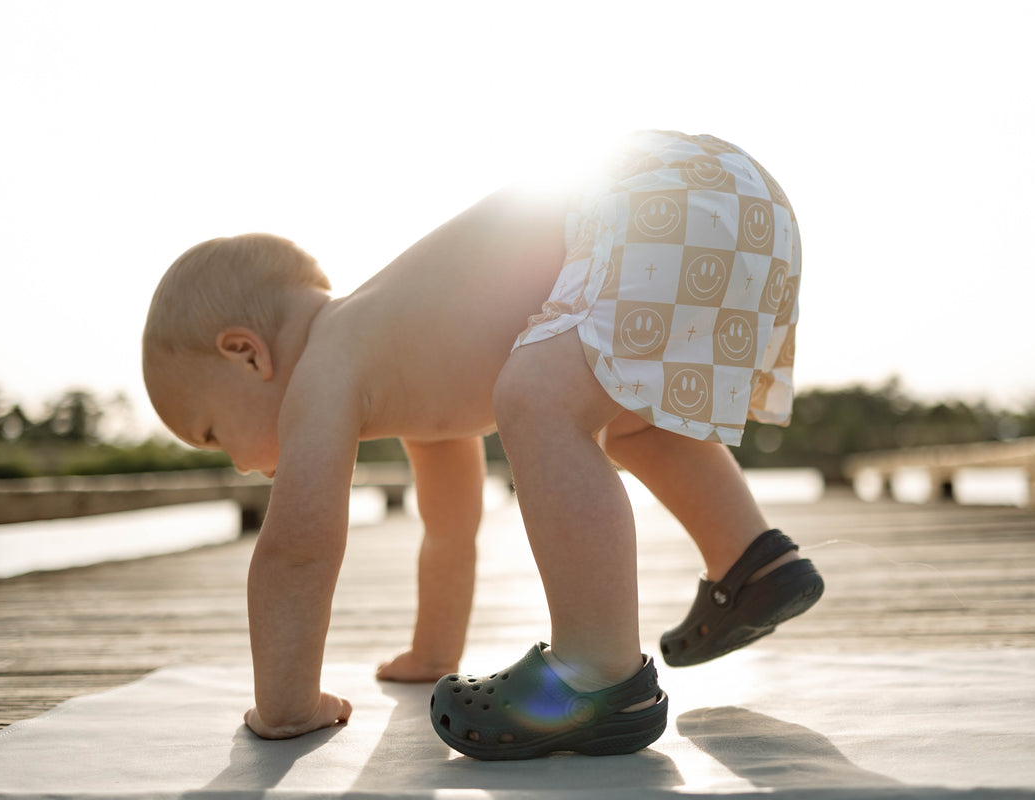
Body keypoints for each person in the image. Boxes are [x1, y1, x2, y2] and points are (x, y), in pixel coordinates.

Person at [141, 129, 823, 760]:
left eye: (211, 433)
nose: (233, 459)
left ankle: (597, 672)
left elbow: (298, 548)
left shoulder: (327, 365)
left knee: (536, 401)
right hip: (730, 201)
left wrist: (286, 707)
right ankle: (752, 563)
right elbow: (450, 530)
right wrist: (432, 652)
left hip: (657, 205)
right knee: (624, 417)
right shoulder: (392, 356)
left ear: (246, 354)